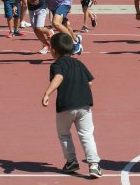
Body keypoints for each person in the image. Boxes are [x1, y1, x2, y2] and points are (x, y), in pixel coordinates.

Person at [41, 33, 102, 178]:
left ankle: (72, 161)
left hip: (66, 105)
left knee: (64, 134)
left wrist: (47, 93)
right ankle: (94, 165)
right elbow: (90, 82)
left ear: (54, 51)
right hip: (84, 105)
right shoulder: (79, 63)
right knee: (87, 134)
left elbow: (59, 77)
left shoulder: (56, 65)